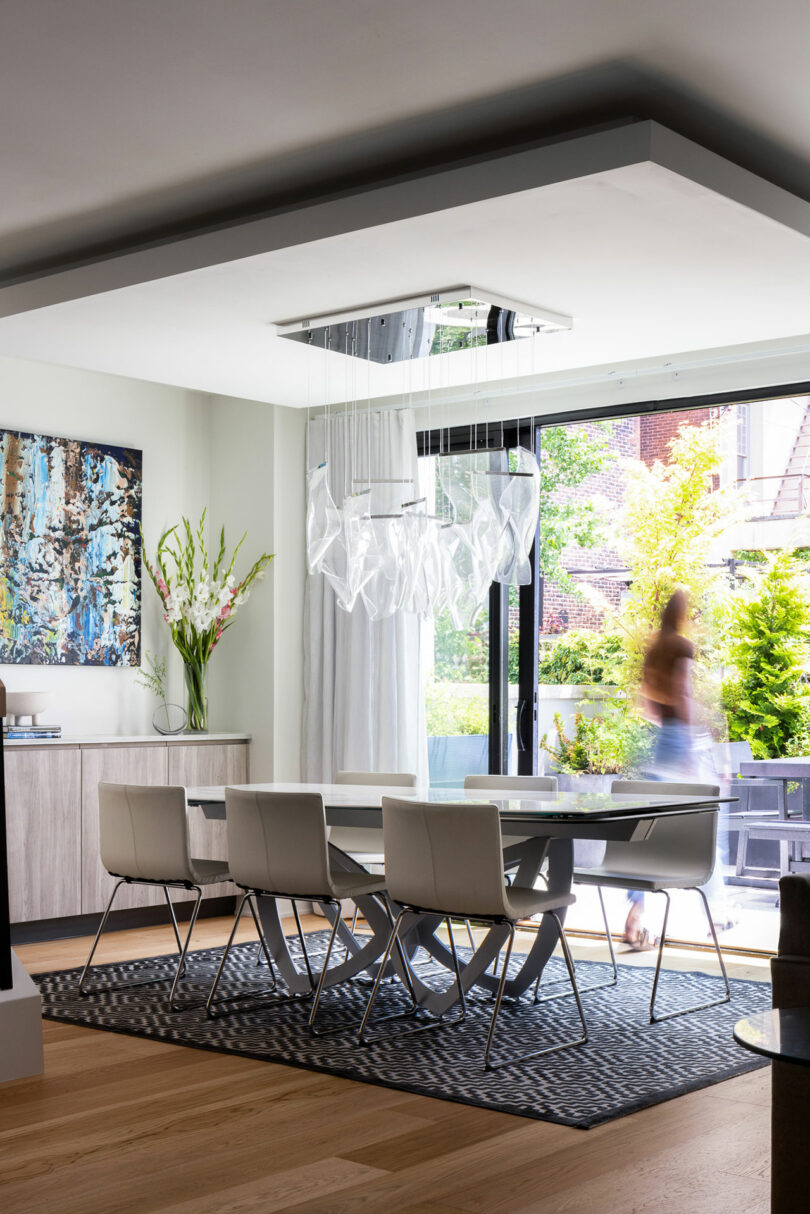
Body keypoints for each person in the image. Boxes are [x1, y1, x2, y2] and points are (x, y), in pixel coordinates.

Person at [623, 589, 695, 949]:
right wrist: (691, 745)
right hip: (679, 736)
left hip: (662, 736)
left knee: (648, 826)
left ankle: (636, 909)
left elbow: (648, 702)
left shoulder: (654, 647)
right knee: (705, 821)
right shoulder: (682, 646)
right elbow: (683, 694)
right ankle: (719, 912)